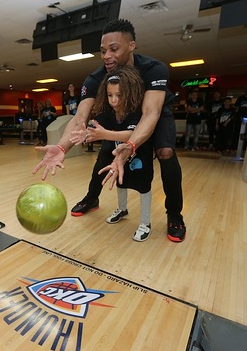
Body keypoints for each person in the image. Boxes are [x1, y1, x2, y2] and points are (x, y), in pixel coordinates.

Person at [33, 18, 186, 242]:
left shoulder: (153, 69)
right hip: (122, 113)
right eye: (103, 50)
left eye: (114, 49)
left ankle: (175, 214)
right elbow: (80, 118)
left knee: (165, 152)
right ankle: (92, 198)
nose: (106, 56)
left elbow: (150, 113)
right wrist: (62, 146)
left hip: (155, 113)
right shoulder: (96, 78)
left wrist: (130, 146)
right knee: (105, 154)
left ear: (131, 45)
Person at [85, 67, 154, 241]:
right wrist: (87, 131)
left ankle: (146, 223)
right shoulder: (108, 111)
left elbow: (133, 134)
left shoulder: (137, 110)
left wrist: (104, 134)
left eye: (119, 95)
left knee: (143, 187)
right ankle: (122, 209)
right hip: (120, 157)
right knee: (121, 182)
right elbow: (96, 125)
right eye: (110, 95)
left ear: (129, 93)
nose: (114, 100)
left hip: (140, 155)